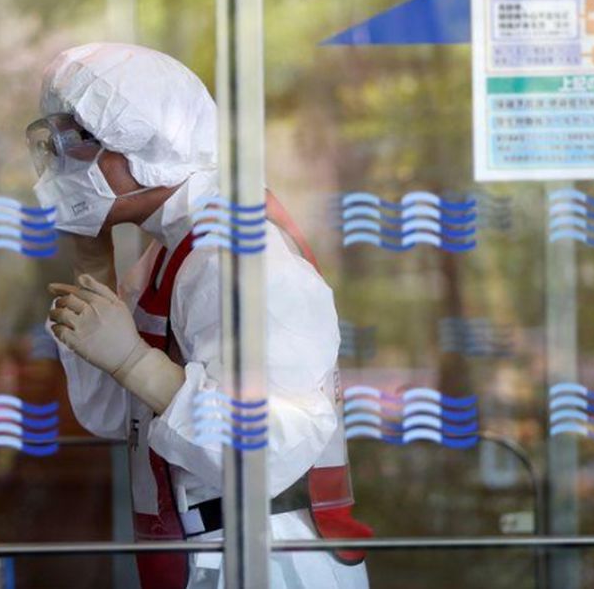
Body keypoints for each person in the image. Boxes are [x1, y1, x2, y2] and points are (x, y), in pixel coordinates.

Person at [31, 42, 370, 589]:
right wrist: (91, 264)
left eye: (81, 140)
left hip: (268, 560)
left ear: (149, 146)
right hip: (208, 550)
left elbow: (272, 454)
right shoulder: (173, 249)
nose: (62, 161)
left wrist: (136, 362)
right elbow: (115, 418)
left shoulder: (240, 256)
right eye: (57, 139)